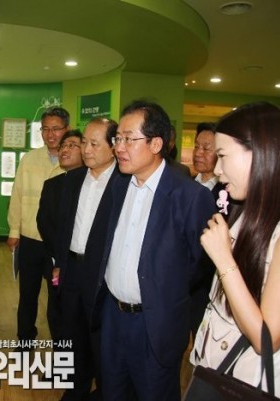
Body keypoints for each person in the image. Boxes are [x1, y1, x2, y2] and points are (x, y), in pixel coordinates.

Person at [191, 102, 280, 401]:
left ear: (260, 153)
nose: (217, 169)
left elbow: (267, 340)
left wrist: (223, 259)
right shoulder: (246, 213)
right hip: (215, 372)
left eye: (223, 156)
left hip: (249, 382)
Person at [93, 100, 216, 401]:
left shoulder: (190, 196)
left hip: (155, 326)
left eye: (128, 139)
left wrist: (162, 292)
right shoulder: (119, 185)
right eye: (117, 138)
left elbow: (199, 264)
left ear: (156, 143)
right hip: (113, 318)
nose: (119, 147)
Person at [54, 117, 119, 401]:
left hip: (103, 275)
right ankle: (75, 390)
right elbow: (64, 226)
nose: (86, 150)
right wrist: (59, 263)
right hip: (72, 270)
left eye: (94, 144)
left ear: (113, 147)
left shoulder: (123, 184)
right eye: (84, 143)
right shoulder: (73, 180)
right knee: (72, 335)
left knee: (102, 341)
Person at [7, 106, 70, 348]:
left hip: (57, 244)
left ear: (67, 129)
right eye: (45, 129)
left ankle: (60, 345)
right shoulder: (29, 159)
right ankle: (25, 339)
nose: (50, 134)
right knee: (27, 294)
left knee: (57, 297)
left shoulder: (74, 161)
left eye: (56, 129)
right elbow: (17, 196)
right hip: (30, 239)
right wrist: (14, 231)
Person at [37, 129, 85, 347]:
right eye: (63, 146)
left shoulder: (93, 185)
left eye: (72, 145)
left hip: (81, 264)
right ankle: (60, 359)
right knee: (56, 313)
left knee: (79, 320)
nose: (64, 149)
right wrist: (59, 256)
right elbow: (43, 222)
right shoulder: (52, 184)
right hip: (56, 261)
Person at [189, 121, 223, 341]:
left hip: (208, 282)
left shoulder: (227, 194)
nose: (198, 153)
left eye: (206, 148)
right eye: (196, 146)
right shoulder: (184, 186)